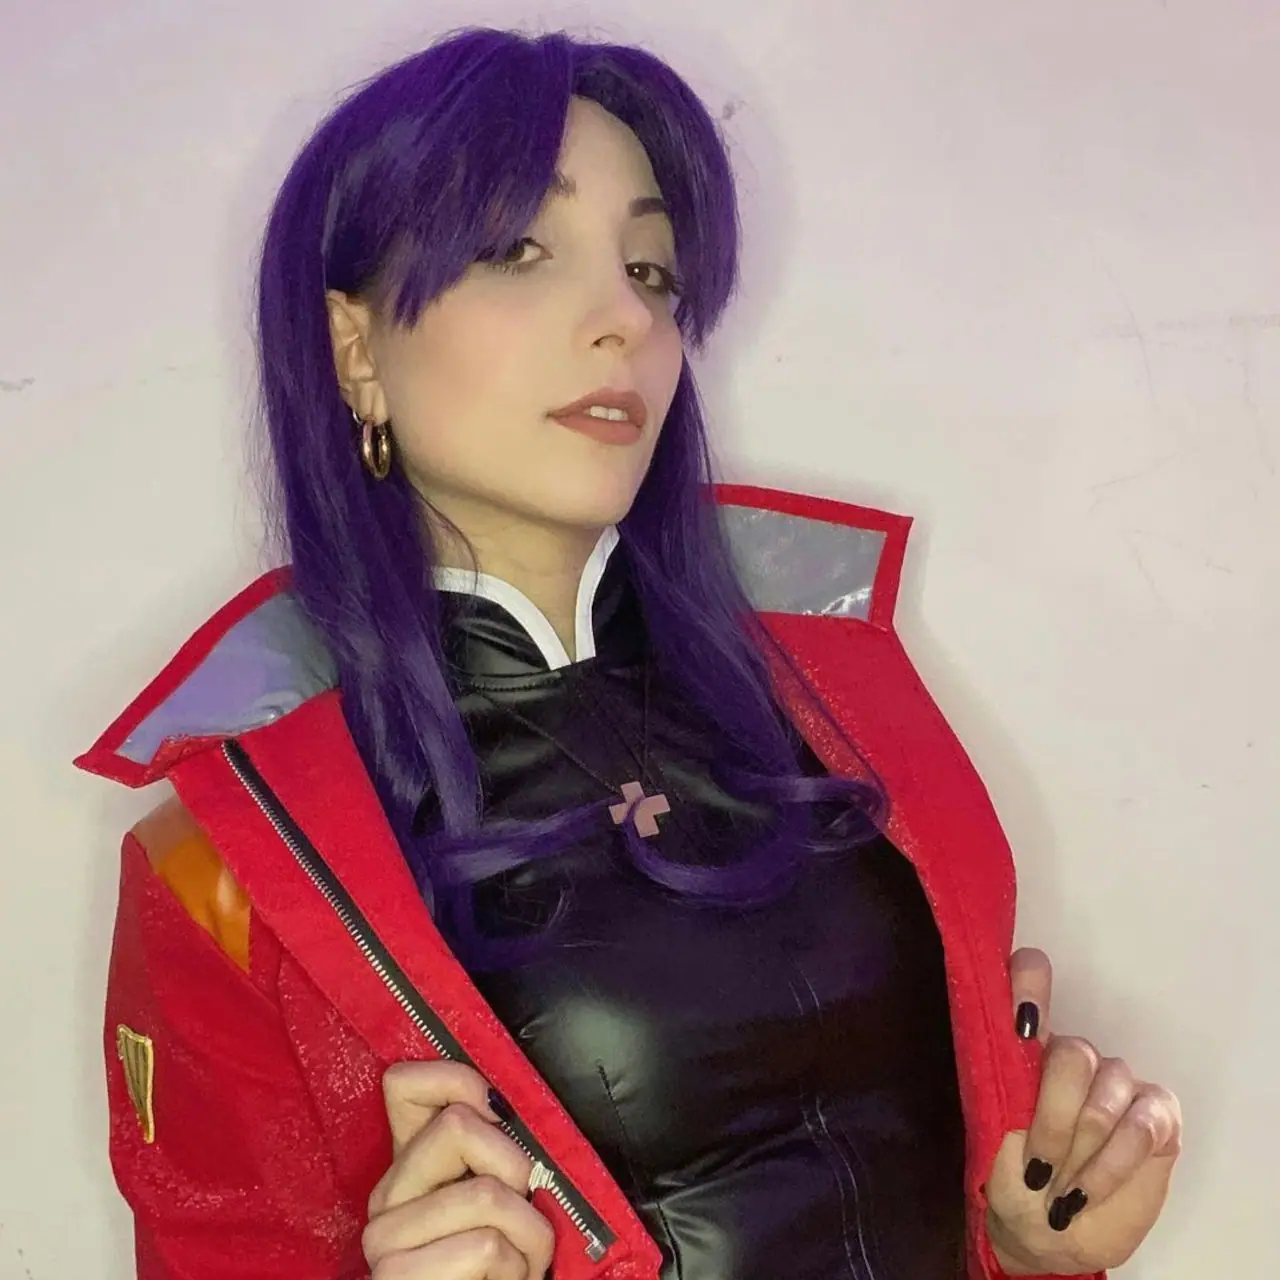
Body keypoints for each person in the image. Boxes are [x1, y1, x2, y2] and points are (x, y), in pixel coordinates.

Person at [77, 25, 1182, 1280]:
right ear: (355, 350)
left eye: (650, 270)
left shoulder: (842, 691)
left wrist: (1028, 1246)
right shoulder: (226, 867)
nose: (622, 319)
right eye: (516, 250)